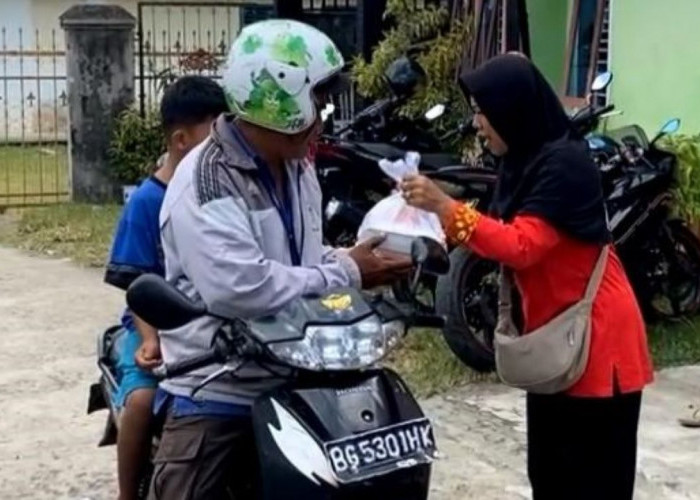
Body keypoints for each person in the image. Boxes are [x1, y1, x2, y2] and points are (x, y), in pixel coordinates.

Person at [150, 20, 410, 500]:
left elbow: (298, 258)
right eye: (319, 100)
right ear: (282, 94)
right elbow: (240, 287)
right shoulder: (207, 180)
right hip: (223, 383)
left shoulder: (298, 165)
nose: (324, 117)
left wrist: (353, 258)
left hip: (301, 371)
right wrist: (349, 270)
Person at [400, 54, 653, 500]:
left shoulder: (565, 165)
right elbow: (491, 225)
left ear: (512, 110)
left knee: (593, 482)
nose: (477, 123)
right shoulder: (524, 161)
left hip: (595, 339)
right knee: (550, 476)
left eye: (483, 111)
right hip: (552, 342)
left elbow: (522, 245)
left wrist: (445, 206)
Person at [104, 75, 229, 500]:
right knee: (141, 399)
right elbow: (138, 282)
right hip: (151, 322)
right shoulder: (146, 201)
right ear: (180, 139)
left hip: (207, 323)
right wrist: (150, 339)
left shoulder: (221, 193)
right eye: (213, 135)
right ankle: (127, 492)